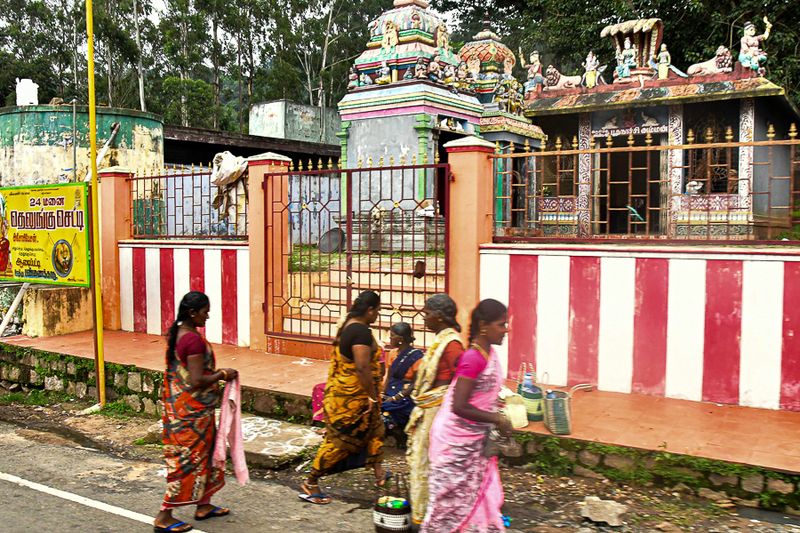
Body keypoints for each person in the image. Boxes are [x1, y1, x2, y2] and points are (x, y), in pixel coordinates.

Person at [421, 299, 512, 533]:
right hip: (454, 443)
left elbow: (482, 393)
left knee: (479, 499)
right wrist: (497, 418)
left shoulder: (489, 353)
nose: (506, 330)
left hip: (475, 442)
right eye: (501, 324)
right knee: (447, 509)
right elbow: (459, 406)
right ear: (483, 326)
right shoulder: (473, 358)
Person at [154, 291, 239, 533]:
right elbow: (197, 380)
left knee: (206, 456)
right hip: (190, 415)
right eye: (204, 312)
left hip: (188, 410)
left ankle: (204, 504)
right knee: (187, 462)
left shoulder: (179, 332)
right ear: (192, 313)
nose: (207, 316)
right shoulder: (192, 340)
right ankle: (164, 515)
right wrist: (223, 374)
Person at [300, 290, 388, 504]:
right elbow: (362, 367)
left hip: (352, 395)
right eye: (377, 311)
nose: (378, 315)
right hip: (351, 399)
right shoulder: (360, 332)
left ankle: (379, 472)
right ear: (370, 310)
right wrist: (372, 397)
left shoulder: (349, 325)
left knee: (375, 429)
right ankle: (311, 482)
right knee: (340, 443)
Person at [406, 294, 465, 528]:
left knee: (430, 464)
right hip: (429, 407)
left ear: (439, 317)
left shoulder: (452, 345)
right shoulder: (442, 340)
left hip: (438, 412)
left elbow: (461, 380)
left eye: (427, 313)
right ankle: (425, 514)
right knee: (423, 463)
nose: (424, 318)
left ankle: (431, 516)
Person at [381, 322, 424, 444]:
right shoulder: (393, 353)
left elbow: (416, 383)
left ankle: (399, 434)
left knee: (388, 408)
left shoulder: (417, 357)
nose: (389, 339)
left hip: (406, 395)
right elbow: (388, 376)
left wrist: (397, 397)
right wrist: (382, 393)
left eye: (391, 336)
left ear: (400, 339)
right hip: (391, 391)